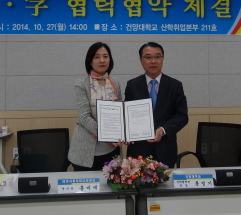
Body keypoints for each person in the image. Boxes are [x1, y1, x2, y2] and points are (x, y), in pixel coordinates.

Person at [125, 42, 188, 168]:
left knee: (166, 180)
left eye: (157, 57)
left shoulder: (175, 85)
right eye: (148, 57)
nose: (153, 61)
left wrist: (163, 129)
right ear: (141, 60)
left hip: (165, 149)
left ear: (163, 59)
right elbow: (127, 115)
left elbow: (182, 116)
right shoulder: (132, 85)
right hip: (138, 150)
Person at [68, 42, 124, 171]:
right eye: (97, 57)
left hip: (111, 149)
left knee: (112, 183)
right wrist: (107, 135)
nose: (102, 60)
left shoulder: (115, 82)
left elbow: (120, 112)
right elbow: (84, 117)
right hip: (85, 152)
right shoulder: (81, 84)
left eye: (105, 56)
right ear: (90, 61)